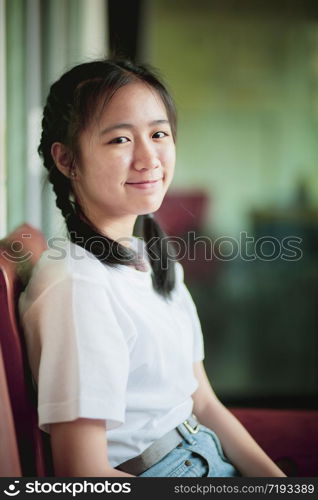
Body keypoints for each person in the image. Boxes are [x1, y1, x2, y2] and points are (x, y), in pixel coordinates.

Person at [19, 59, 285, 478]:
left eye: (159, 134)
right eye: (120, 140)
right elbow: (83, 474)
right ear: (67, 160)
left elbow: (203, 403)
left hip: (202, 452)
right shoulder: (79, 287)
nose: (148, 158)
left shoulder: (152, 257)